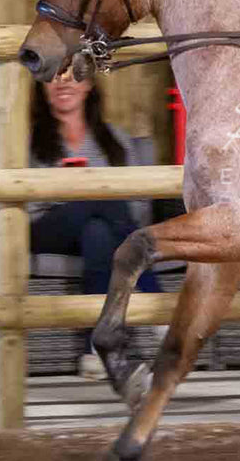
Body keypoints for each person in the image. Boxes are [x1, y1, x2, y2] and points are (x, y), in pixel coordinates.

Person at [29, 69, 158, 380]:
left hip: (104, 232)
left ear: (88, 85)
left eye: (73, 76)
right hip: (46, 227)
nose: (63, 84)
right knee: (97, 198)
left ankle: (94, 351)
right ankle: (155, 300)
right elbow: (26, 208)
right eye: (53, 77)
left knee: (97, 232)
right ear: (42, 88)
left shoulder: (115, 140)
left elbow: (139, 205)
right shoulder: (31, 143)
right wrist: (64, 194)